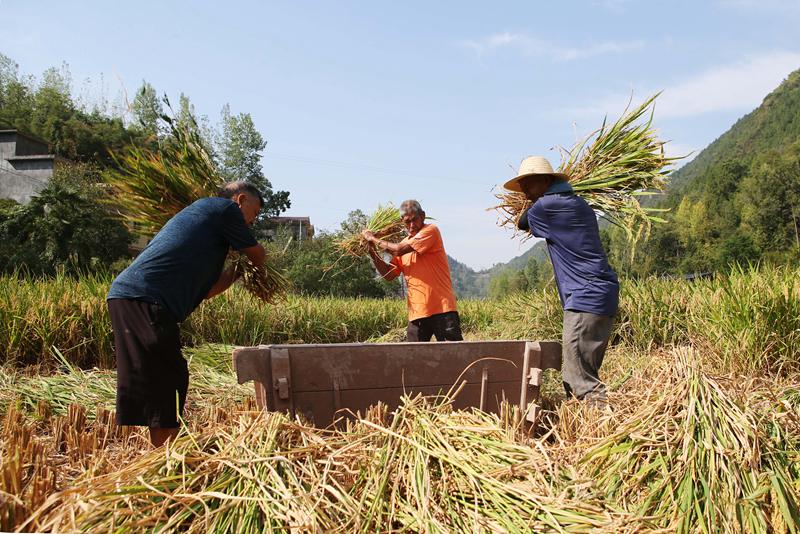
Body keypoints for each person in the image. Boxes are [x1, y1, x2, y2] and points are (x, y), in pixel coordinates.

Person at [106, 181, 267, 446]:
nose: (253, 222)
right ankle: (164, 456)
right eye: (255, 213)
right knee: (165, 378)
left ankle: (165, 451)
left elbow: (208, 290)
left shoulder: (209, 234)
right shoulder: (224, 209)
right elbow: (258, 255)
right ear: (241, 200)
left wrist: (238, 271)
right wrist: (259, 261)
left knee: (166, 377)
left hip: (136, 298)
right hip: (144, 298)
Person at [505, 156, 619, 404]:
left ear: (546, 180)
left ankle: (604, 432)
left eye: (529, 183)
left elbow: (522, 223)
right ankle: (583, 429)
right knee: (579, 372)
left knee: (581, 382)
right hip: (602, 295)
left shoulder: (548, 206)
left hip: (584, 297)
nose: (524, 190)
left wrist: (530, 204)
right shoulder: (579, 204)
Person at [363, 199, 463, 342]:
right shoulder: (404, 243)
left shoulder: (430, 231)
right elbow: (388, 275)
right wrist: (372, 251)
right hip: (417, 313)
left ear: (422, 216)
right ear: (401, 221)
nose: (411, 225)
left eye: (415, 220)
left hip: (442, 309)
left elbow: (398, 250)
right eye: (407, 222)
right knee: (413, 359)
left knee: (453, 357)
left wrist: (373, 239)